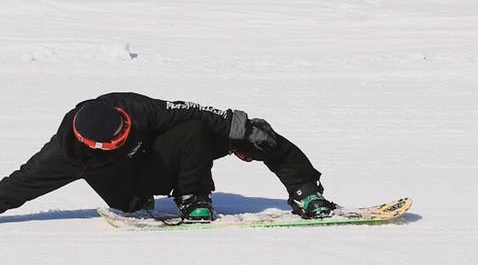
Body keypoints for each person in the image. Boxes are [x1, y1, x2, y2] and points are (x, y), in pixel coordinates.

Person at [0, 92, 335, 222]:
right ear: (92, 143)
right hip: (132, 192)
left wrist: (240, 129)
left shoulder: (132, 108)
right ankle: (176, 194)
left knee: (246, 135)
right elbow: (17, 187)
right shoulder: (63, 156)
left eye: (125, 129)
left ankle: (306, 192)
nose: (124, 135)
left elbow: (191, 112)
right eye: (117, 139)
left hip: (162, 161)